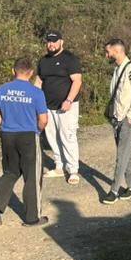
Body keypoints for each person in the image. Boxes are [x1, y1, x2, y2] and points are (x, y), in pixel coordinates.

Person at [0, 57, 50, 226]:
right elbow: (43, 119)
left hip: (8, 135)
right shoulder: (36, 92)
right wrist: (37, 130)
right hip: (28, 135)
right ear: (31, 73)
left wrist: (7, 124)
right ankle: (32, 217)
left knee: (11, 172)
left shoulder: (3, 89)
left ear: (13, 71)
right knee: (32, 176)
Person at [100, 38, 131, 204]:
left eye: (108, 51)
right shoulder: (117, 69)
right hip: (117, 118)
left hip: (129, 119)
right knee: (126, 154)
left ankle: (114, 191)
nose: (106, 55)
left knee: (121, 155)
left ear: (117, 51)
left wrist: (130, 117)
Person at [34, 31, 83, 184]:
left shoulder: (70, 59)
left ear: (61, 42)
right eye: (48, 41)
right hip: (48, 106)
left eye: (54, 41)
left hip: (67, 106)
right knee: (52, 137)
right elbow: (39, 82)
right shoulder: (43, 61)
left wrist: (69, 100)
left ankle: (73, 170)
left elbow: (77, 81)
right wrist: (34, 101)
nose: (51, 44)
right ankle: (59, 166)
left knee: (67, 136)